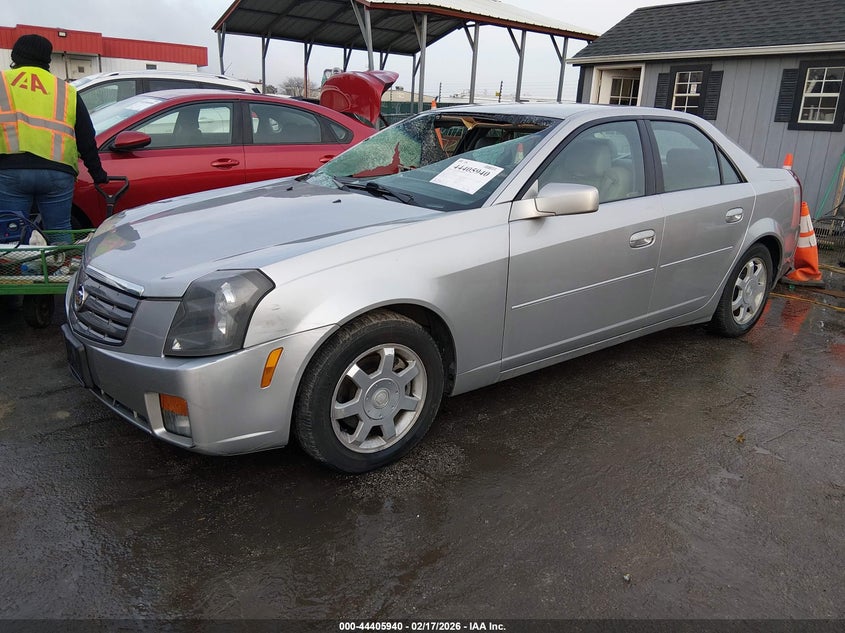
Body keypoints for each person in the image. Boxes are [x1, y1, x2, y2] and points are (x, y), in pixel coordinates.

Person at [0, 34, 107, 244]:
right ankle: (63, 273)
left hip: (10, 171)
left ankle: (20, 275)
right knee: (59, 231)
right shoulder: (66, 90)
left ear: (15, 56)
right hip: (57, 173)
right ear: (47, 59)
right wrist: (98, 174)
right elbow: (86, 137)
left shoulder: (2, 83)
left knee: (13, 234)